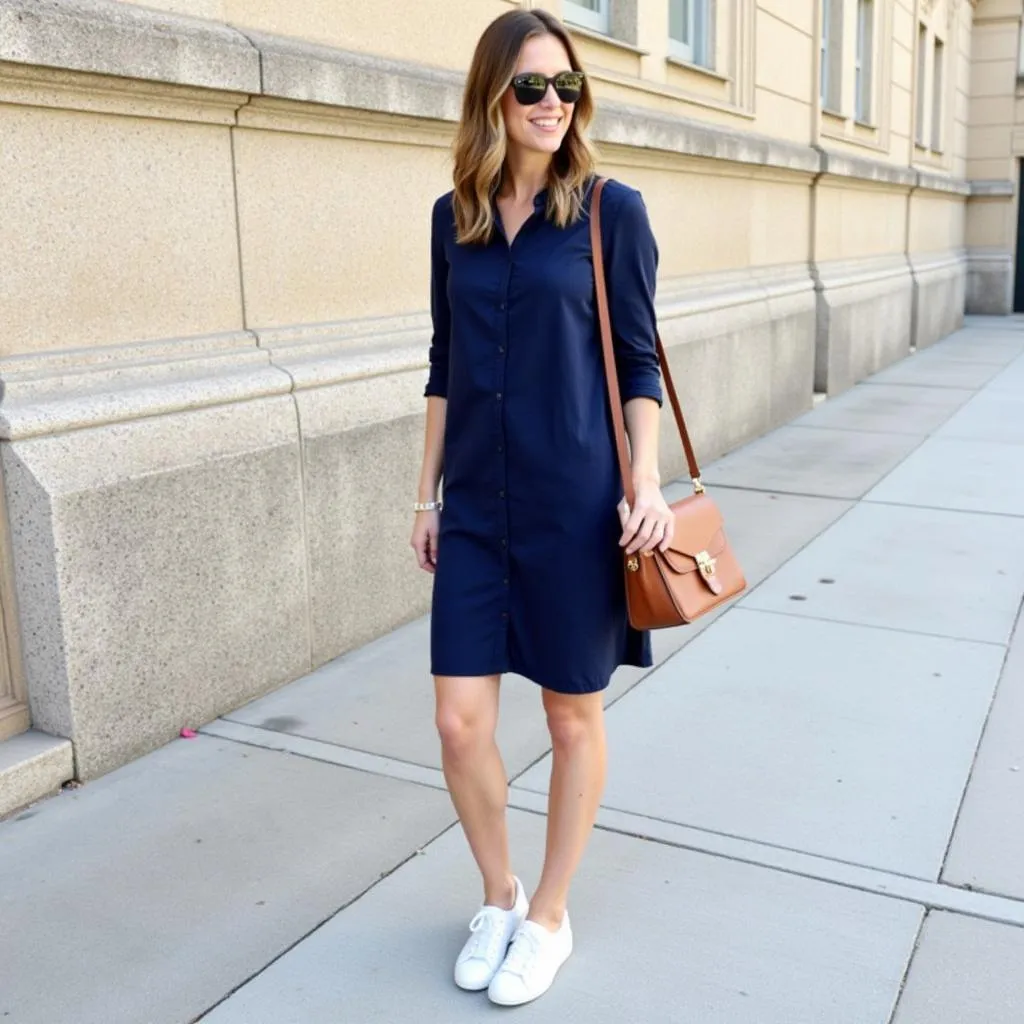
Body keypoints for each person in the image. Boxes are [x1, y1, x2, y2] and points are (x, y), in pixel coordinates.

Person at [409, 7, 674, 1008]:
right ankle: (499, 891)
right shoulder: (454, 219)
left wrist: (643, 479)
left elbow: (640, 358)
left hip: (575, 505)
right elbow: (443, 366)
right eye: (531, 86)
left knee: (571, 716)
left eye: (566, 85)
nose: (552, 103)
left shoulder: (612, 211)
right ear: (492, 96)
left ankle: (550, 915)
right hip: (477, 505)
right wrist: (425, 493)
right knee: (458, 721)